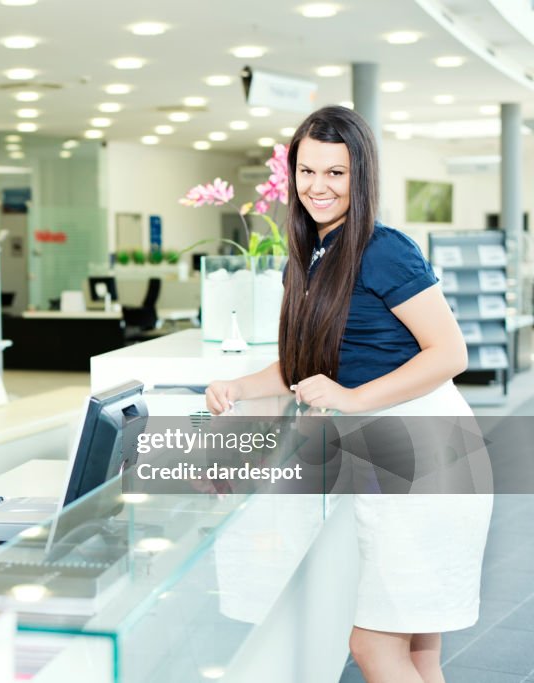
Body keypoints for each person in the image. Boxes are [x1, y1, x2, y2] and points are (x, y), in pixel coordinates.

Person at [205, 106, 491, 683]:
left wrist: (353, 399)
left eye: (336, 173)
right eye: (307, 171)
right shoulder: (307, 257)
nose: (318, 187)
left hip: (425, 455)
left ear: (361, 177)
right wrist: (238, 385)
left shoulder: (383, 248)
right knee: (416, 651)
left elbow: (449, 353)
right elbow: (301, 364)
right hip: (389, 455)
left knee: (372, 644)